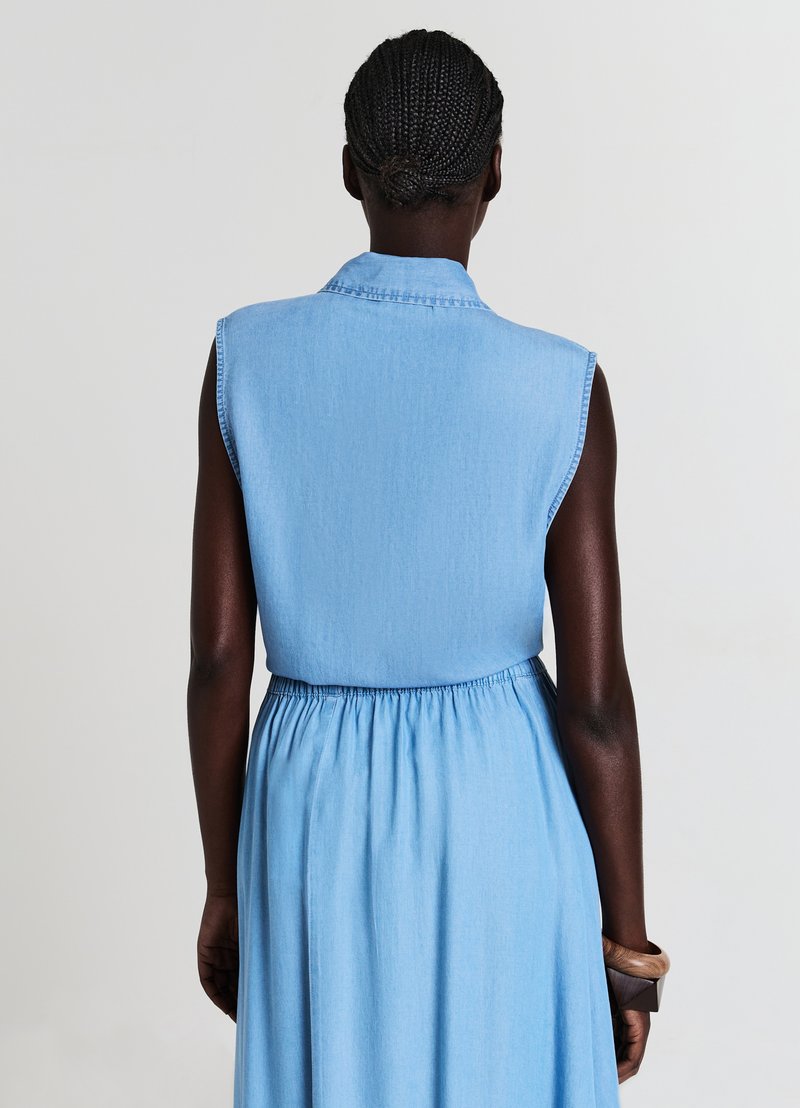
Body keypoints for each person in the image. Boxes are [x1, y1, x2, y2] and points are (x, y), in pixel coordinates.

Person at [188, 27, 667, 1108]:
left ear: (348, 170)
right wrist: (628, 951)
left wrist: (227, 883)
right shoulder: (561, 387)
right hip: (499, 802)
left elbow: (218, 665)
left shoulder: (243, 360)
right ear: (494, 171)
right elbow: (595, 704)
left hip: (307, 808)